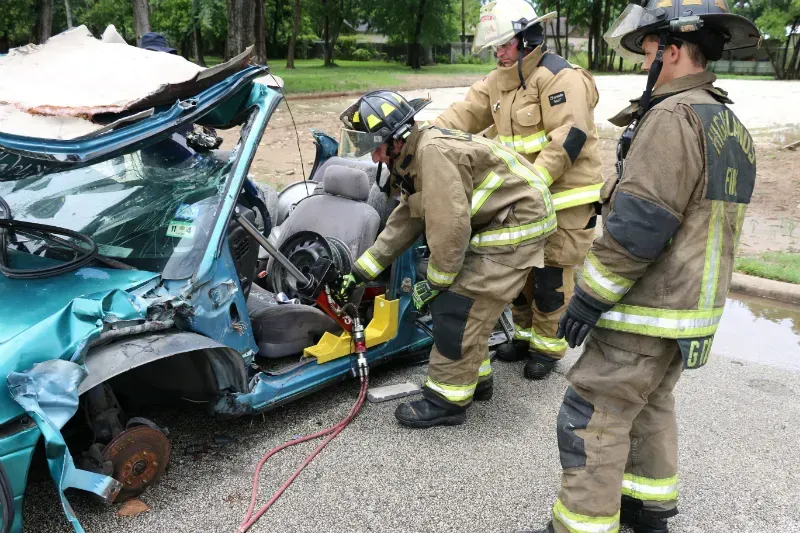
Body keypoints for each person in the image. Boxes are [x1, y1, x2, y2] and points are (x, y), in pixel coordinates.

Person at [522, 0, 761, 532]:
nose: (642, 63)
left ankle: (582, 524)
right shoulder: (726, 121)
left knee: (592, 416)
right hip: (688, 310)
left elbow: (639, 223)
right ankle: (647, 509)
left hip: (645, 307)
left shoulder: (672, 117)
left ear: (674, 52)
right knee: (649, 407)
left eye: (650, 51)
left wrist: (588, 297)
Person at [337, 90, 555, 428]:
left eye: (378, 147)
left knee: (459, 305)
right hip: (495, 222)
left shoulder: (432, 154)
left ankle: (447, 400)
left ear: (398, 138)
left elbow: (450, 227)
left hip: (516, 225)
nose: (376, 158)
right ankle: (476, 380)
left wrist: (437, 281)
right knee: (466, 304)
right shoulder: (413, 156)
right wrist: (362, 270)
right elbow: (408, 218)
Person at [434, 0, 604, 380]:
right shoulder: (499, 81)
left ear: (529, 38)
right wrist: (427, 136)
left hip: (564, 200)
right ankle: (525, 337)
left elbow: (568, 138)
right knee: (521, 274)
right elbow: (463, 115)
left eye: (505, 44)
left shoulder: (561, 78)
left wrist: (532, 184)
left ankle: (548, 349)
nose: (499, 53)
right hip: (528, 198)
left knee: (551, 281)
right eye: (495, 46)